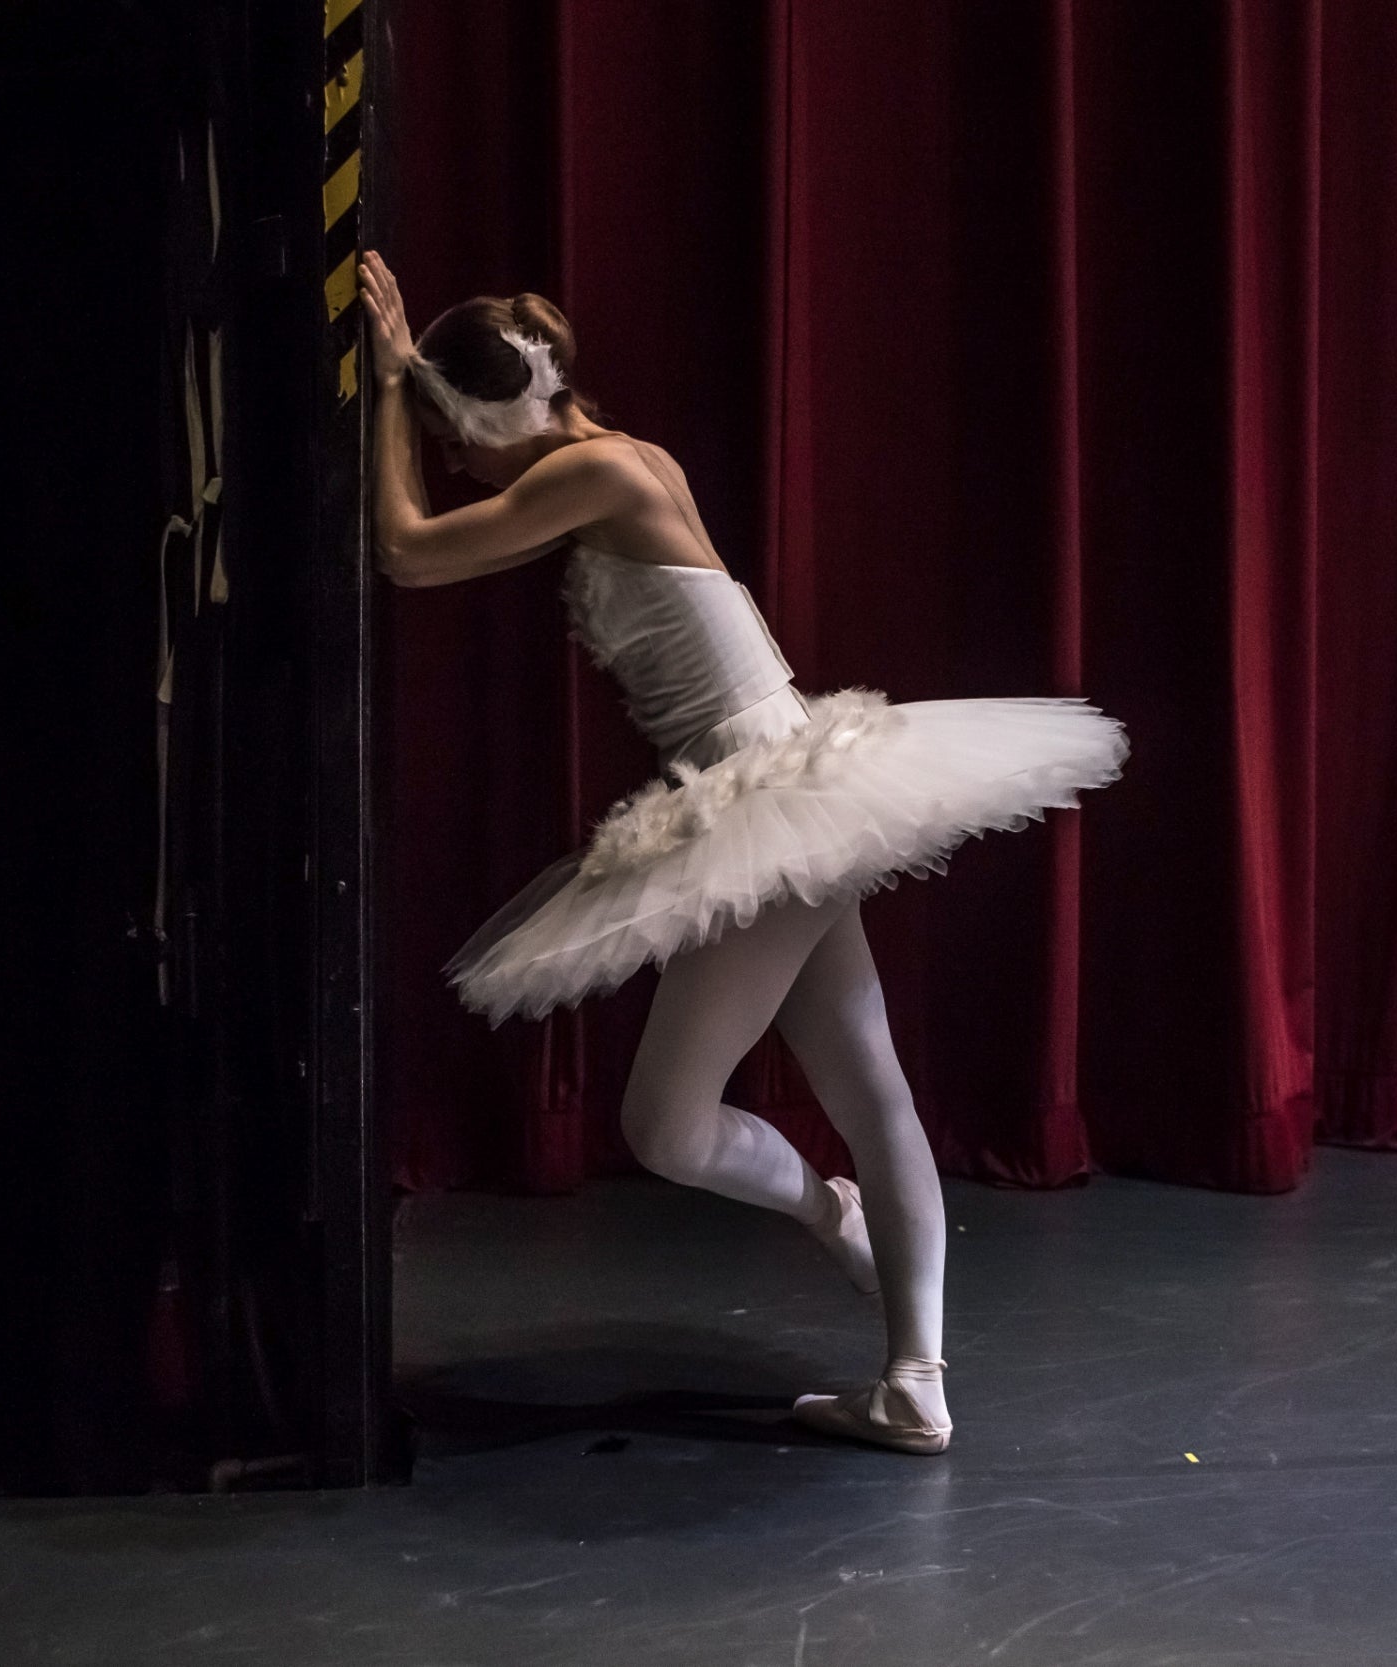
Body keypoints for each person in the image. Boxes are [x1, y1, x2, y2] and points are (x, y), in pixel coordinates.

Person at [356, 250, 1126, 1455]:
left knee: (666, 1124)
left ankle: (833, 1219)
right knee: (864, 1070)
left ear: (483, 411)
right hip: (776, 778)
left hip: (761, 789)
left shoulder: (603, 469)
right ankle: (912, 1375)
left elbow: (406, 552)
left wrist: (387, 393)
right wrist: (413, 388)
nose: (458, 468)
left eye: (457, 440)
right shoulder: (610, 460)